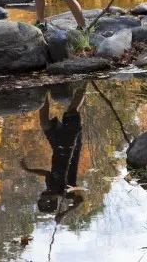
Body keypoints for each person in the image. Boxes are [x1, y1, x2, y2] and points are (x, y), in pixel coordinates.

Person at [20, 83, 87, 223]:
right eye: (43, 201)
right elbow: (80, 200)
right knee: (71, 110)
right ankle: (85, 81)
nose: (41, 197)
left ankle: (43, 90)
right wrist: (64, 213)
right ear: (50, 202)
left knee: (44, 123)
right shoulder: (66, 192)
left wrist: (28, 169)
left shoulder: (51, 186)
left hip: (57, 146)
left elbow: (46, 173)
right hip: (71, 144)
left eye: (40, 200)